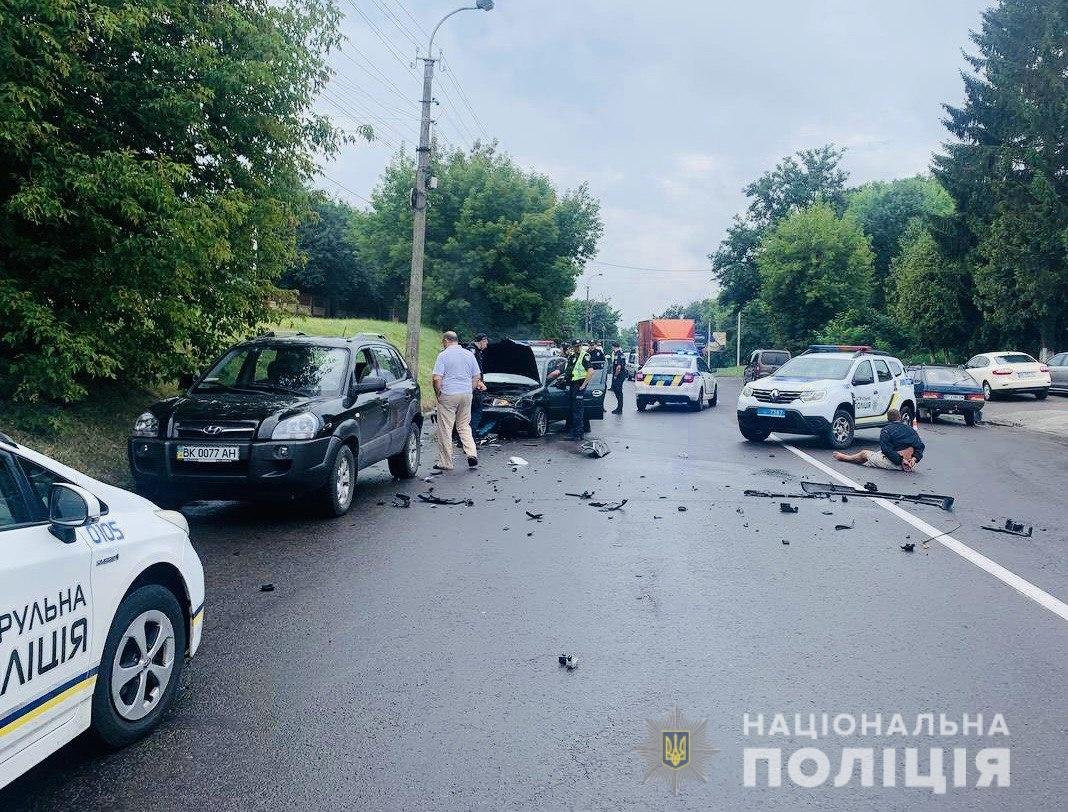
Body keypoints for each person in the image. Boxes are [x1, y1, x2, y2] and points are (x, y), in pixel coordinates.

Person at [432, 331, 484, 470]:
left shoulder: (443, 355)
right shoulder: (469, 354)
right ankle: (471, 453)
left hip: (448, 394)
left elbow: (437, 378)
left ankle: (446, 462)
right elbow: (477, 376)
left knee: (445, 429)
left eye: (443, 342)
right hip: (466, 394)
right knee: (464, 425)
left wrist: (438, 393)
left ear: (446, 340)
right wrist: (470, 390)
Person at [833, 409, 925, 471]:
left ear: (888, 419)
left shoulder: (886, 430)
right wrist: (914, 459)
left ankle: (846, 458)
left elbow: (886, 450)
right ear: (900, 418)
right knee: (877, 454)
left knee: (864, 454)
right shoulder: (910, 430)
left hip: (898, 463)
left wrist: (901, 461)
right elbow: (920, 446)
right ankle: (869, 461)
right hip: (911, 463)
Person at [565, 339, 594, 440]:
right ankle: (577, 431)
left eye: (579, 346)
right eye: (576, 346)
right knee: (574, 409)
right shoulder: (572, 356)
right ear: (573, 347)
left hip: (579, 385)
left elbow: (591, 372)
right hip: (573, 385)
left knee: (578, 411)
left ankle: (578, 434)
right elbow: (570, 371)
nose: (578, 348)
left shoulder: (584, 356)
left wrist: (583, 385)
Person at [468, 333, 490, 438]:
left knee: (468, 415)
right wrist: (479, 383)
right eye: (486, 342)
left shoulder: (475, 351)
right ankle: (470, 438)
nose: (487, 344)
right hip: (474, 388)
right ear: (482, 341)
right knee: (475, 413)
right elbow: (472, 371)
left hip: (470, 387)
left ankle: (463, 439)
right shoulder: (472, 351)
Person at [610, 343, 626, 414]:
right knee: (618, 391)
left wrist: (615, 375)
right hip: (621, 375)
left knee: (618, 391)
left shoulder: (617, 354)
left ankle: (619, 409)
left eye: (612, 347)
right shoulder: (622, 354)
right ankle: (619, 408)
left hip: (619, 375)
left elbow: (618, 367)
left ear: (614, 347)